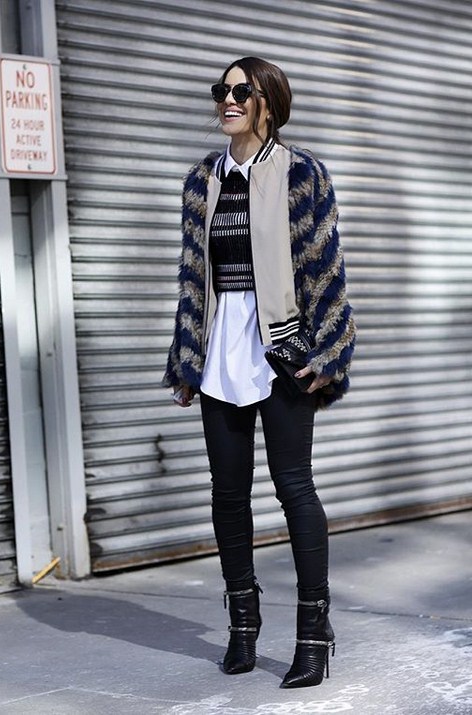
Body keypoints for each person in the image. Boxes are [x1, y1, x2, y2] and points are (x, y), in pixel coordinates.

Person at [162, 57, 356, 688]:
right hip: (221, 345)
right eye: (222, 90)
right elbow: (194, 276)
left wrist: (328, 354)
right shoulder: (203, 180)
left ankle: (313, 632)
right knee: (227, 492)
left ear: (268, 103)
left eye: (241, 91)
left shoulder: (301, 173)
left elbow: (324, 266)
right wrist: (187, 355)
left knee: (293, 486)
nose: (228, 100)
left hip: (282, 346)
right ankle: (242, 626)